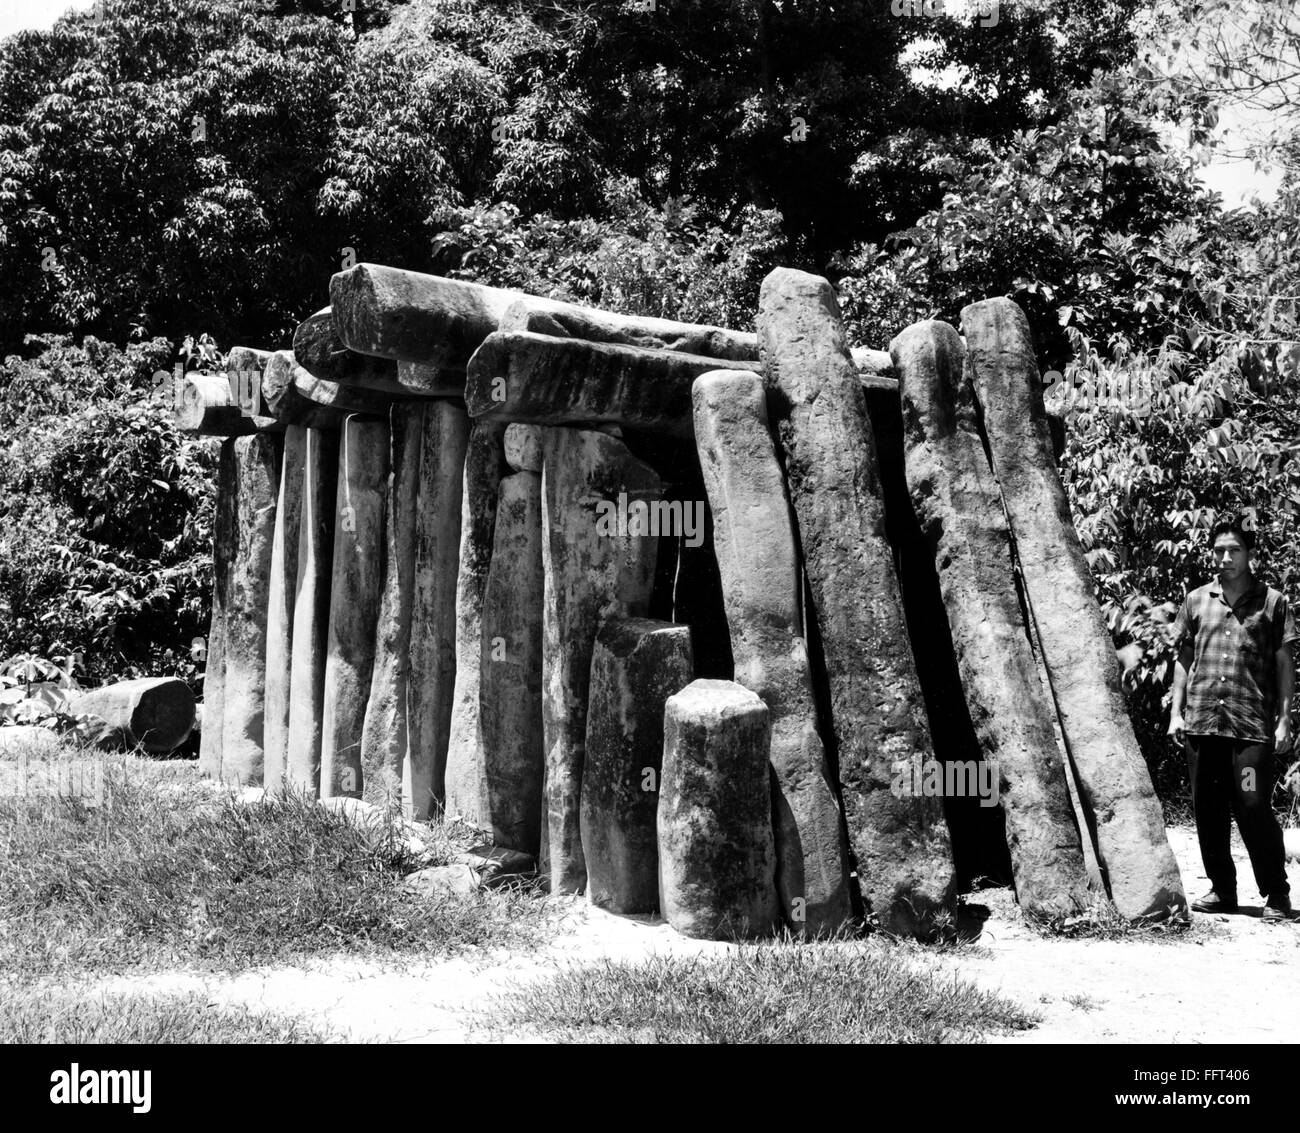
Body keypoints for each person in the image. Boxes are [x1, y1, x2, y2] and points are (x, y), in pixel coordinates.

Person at [1168, 513, 1297, 922]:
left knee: (1252, 802)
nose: (1225, 557)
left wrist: (1284, 721)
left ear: (1250, 554)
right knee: (1207, 807)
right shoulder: (1196, 600)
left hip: (1250, 729)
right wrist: (1175, 714)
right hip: (1203, 726)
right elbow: (1183, 661)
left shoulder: (1272, 603)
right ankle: (1222, 889)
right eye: (1219, 550)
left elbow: (1284, 664)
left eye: (1234, 550)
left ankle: (1276, 893)